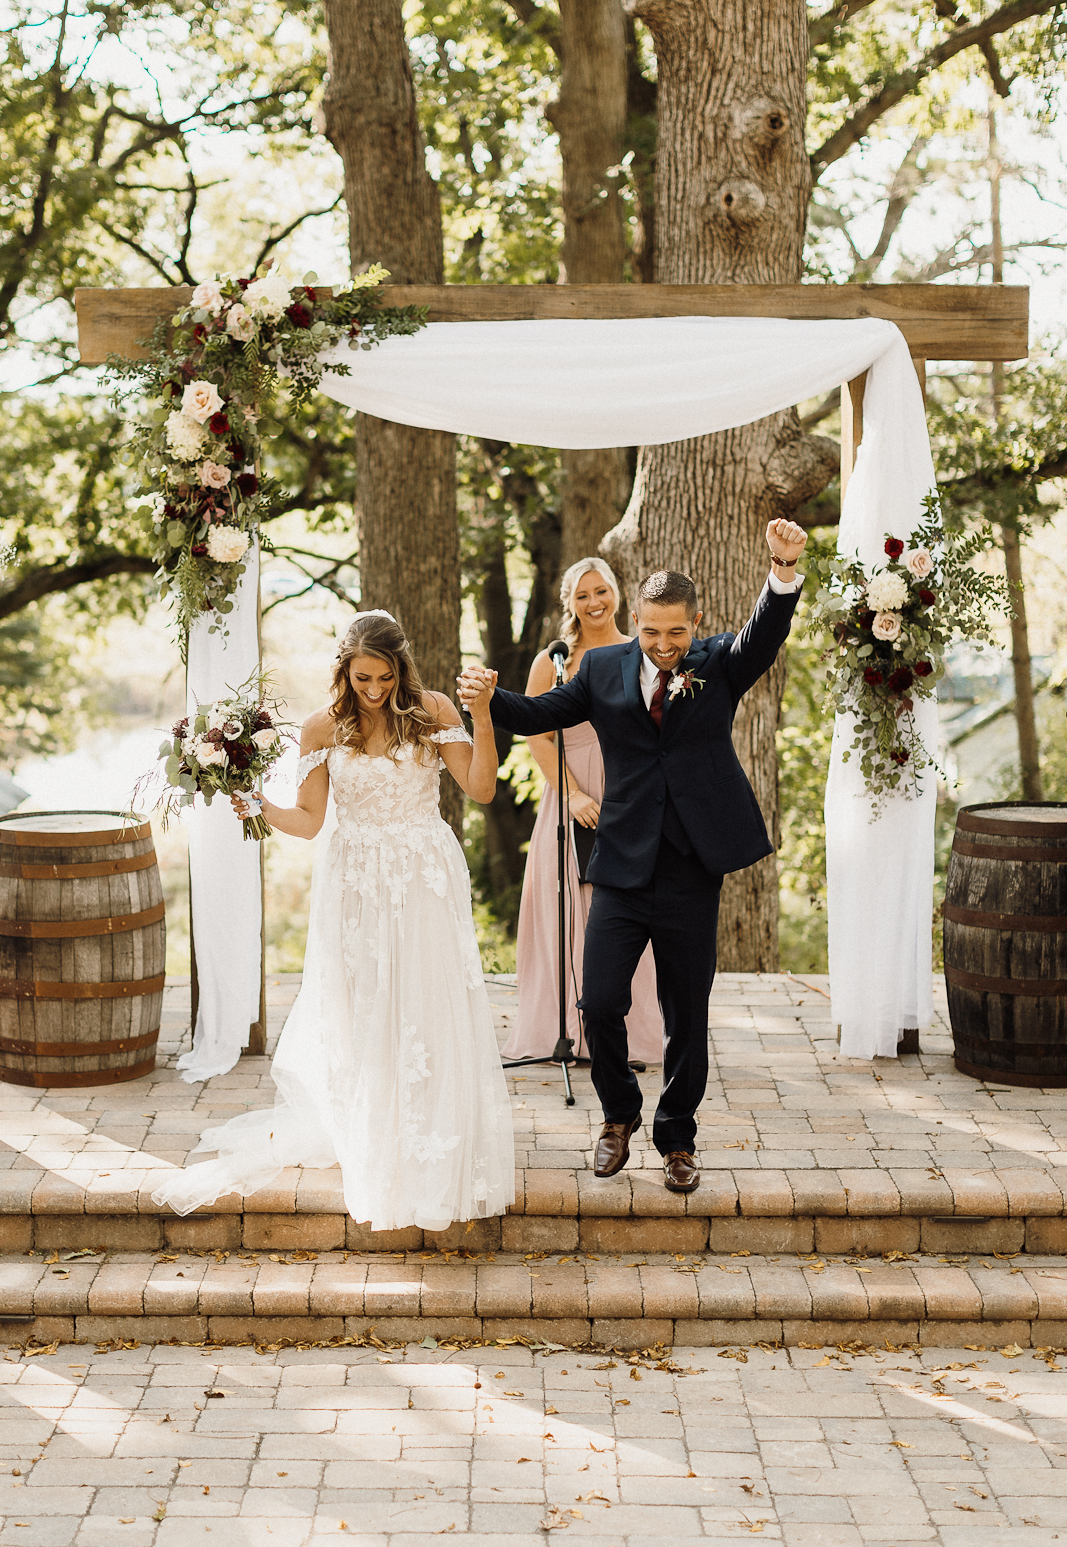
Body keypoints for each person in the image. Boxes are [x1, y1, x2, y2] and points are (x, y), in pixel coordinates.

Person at [459, 521, 806, 1195]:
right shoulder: (599, 667)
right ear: (637, 623)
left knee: (686, 1014)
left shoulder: (715, 663)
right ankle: (617, 1116)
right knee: (599, 1003)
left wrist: (782, 570)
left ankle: (676, 1138)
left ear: (693, 623)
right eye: (651, 632)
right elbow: (540, 713)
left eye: (674, 632)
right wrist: (486, 698)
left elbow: (763, 634)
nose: (663, 645)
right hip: (617, 863)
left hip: (689, 870)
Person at [153, 610, 514, 1233]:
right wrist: (257, 804)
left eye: (383, 677)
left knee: (426, 1004)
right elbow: (310, 820)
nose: (373, 690)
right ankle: (375, 1135)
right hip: (353, 880)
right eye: (361, 677)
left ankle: (432, 1133)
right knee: (365, 1006)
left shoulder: (431, 712)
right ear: (343, 671)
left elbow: (480, 790)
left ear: (401, 667)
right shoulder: (322, 726)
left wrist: (481, 715)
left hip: (423, 873)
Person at [503, 557, 661, 1065]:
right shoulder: (556, 660)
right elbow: (536, 733)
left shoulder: (639, 652)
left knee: (622, 908)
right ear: (569, 602)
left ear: (617, 594)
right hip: (569, 793)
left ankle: (619, 1034)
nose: (594, 603)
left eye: (602, 591)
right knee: (566, 905)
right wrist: (573, 794)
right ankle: (562, 1029)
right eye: (583, 595)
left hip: (627, 794)